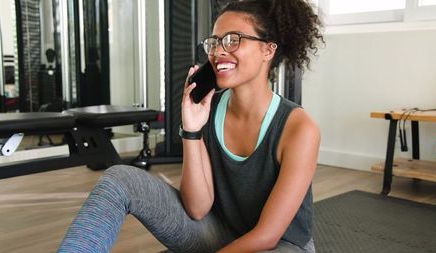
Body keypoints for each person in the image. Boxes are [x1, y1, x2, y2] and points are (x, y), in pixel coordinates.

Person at [58, 0, 323, 252]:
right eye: (215, 42)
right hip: (218, 233)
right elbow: (197, 209)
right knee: (120, 178)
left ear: (267, 49)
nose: (218, 51)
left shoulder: (299, 128)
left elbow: (268, 235)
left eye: (233, 40)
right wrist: (192, 129)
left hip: (279, 246)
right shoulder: (209, 110)